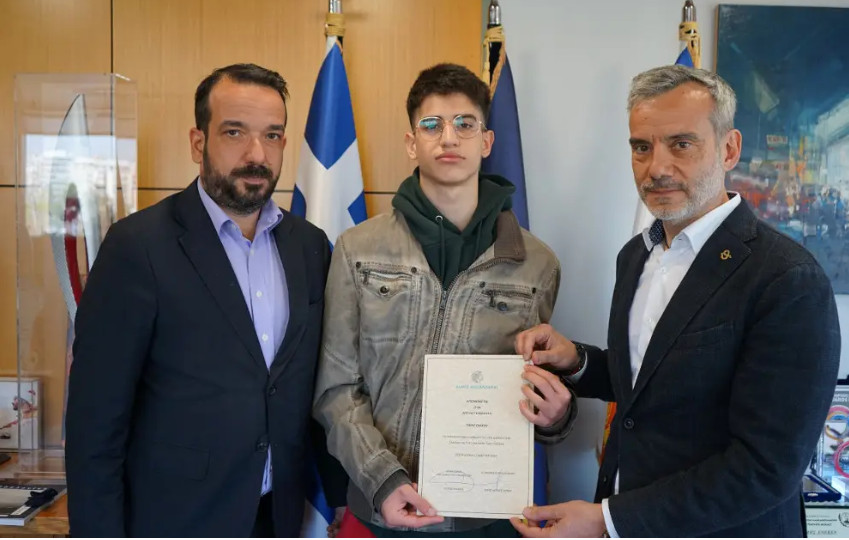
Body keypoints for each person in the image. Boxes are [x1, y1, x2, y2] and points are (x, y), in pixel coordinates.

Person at [511, 65, 840, 538]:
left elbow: (766, 468)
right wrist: (579, 361)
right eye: (641, 147)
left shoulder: (788, 279)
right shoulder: (635, 256)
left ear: (729, 149)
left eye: (681, 144)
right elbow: (655, 383)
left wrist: (607, 520)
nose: (657, 168)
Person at [66, 63, 345, 537]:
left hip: (278, 517)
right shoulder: (138, 247)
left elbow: (309, 387)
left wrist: (341, 498)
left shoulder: (310, 246)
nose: (257, 154)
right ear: (198, 143)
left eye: (272, 135)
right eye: (235, 132)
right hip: (174, 520)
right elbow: (95, 423)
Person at [313, 63, 576, 537]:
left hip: (488, 518)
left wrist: (557, 417)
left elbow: (537, 390)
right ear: (411, 143)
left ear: (487, 142)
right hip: (381, 511)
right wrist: (383, 480)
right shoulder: (358, 249)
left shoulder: (538, 264)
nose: (449, 138)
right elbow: (336, 390)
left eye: (465, 124)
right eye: (432, 125)